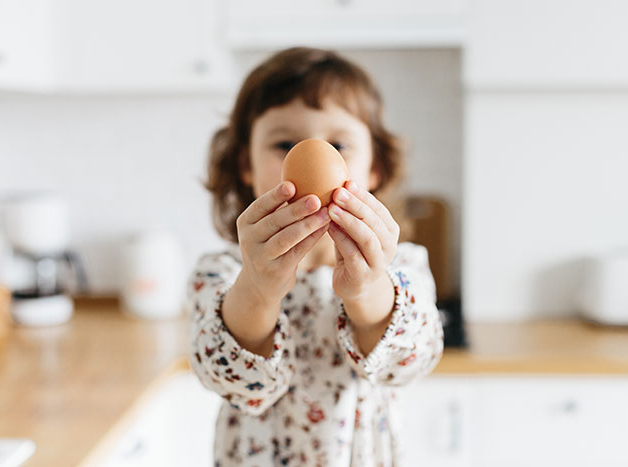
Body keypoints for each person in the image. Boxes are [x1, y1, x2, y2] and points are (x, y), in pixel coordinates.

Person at [187, 46, 443, 466]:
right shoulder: (223, 272)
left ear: (374, 168)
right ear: (246, 165)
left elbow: (407, 364)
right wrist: (257, 289)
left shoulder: (402, 267)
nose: (309, 156)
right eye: (284, 143)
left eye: (339, 144)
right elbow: (227, 379)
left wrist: (368, 288)